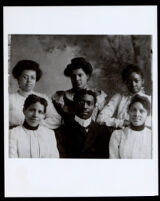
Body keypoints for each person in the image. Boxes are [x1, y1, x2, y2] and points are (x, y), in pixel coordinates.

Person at [55, 89, 111, 158]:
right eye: (81, 102)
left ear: (94, 106)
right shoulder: (61, 132)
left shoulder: (103, 132)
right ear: (74, 104)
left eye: (89, 103)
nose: (85, 107)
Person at [9, 60, 61, 129]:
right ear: (18, 78)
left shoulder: (43, 98)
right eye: (25, 77)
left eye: (32, 77)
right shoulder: (9, 99)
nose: (29, 81)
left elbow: (56, 119)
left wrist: (36, 124)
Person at [52, 57, 107, 122]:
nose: (77, 79)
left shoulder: (98, 96)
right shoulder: (61, 96)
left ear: (87, 76)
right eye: (73, 76)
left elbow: (101, 120)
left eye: (80, 75)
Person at [97, 64, 151, 129]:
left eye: (136, 81)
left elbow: (151, 124)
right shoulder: (119, 97)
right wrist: (121, 122)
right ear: (125, 82)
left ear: (142, 81)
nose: (133, 84)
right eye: (129, 81)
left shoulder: (149, 99)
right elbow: (100, 118)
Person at [109, 94, 152, 159]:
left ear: (147, 114)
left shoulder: (152, 136)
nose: (137, 114)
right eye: (133, 110)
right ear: (128, 111)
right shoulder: (117, 135)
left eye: (141, 111)